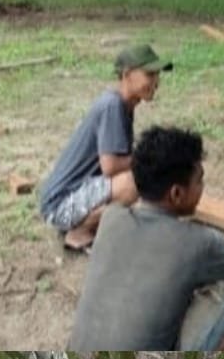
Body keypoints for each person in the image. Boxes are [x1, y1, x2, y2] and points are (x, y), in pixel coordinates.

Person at [69, 126, 224, 351]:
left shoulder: (112, 218)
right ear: (176, 194)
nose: (202, 188)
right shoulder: (198, 242)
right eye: (199, 181)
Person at [39, 44, 172, 253]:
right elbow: (111, 166)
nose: (156, 82)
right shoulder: (112, 106)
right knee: (135, 181)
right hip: (60, 206)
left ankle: (92, 224)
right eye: (149, 74)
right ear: (127, 75)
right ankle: (79, 232)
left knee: (140, 175)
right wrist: (152, 158)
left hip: (67, 199)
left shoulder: (123, 105)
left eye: (157, 75)